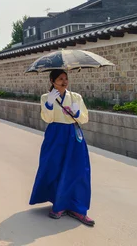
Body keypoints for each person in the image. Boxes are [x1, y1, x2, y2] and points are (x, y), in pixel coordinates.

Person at [29, 69, 95, 226]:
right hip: (55, 135)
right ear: (52, 81)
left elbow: (85, 118)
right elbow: (47, 118)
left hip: (73, 134)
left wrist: (77, 112)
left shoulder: (75, 97)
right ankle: (58, 204)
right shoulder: (46, 97)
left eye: (66, 78)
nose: (64, 81)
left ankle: (78, 208)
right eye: (60, 79)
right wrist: (49, 104)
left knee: (78, 170)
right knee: (54, 168)